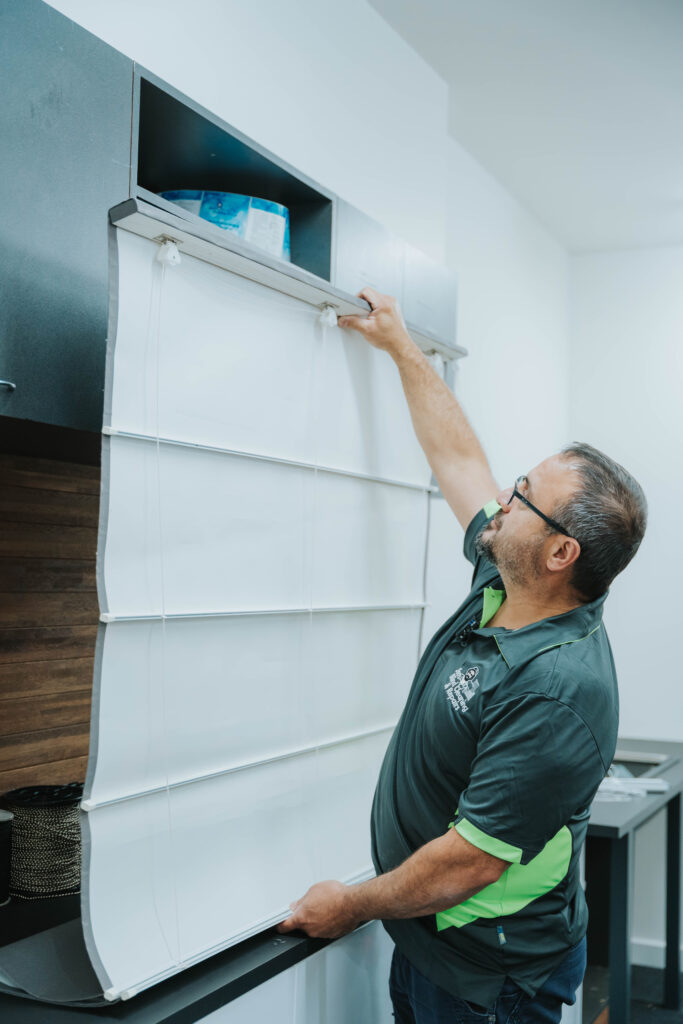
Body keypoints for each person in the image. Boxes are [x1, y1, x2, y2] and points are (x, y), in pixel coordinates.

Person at [278, 288, 647, 1023]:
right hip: (432, 944)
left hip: (490, 976)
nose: (502, 499)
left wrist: (348, 907)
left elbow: (467, 863)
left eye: (521, 496)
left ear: (558, 552)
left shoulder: (555, 689)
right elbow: (458, 459)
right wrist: (402, 348)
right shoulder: (506, 576)